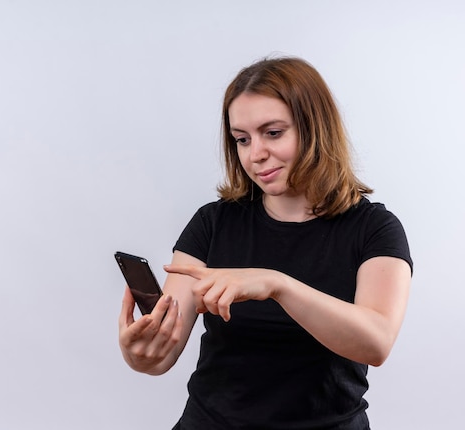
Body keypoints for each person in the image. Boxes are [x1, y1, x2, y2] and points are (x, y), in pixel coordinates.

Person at [118, 56, 413, 429]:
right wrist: (140, 354)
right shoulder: (214, 222)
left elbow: (376, 342)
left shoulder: (374, 228)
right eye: (242, 139)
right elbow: (161, 356)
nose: (254, 154)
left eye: (273, 133)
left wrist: (276, 284)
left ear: (314, 128)